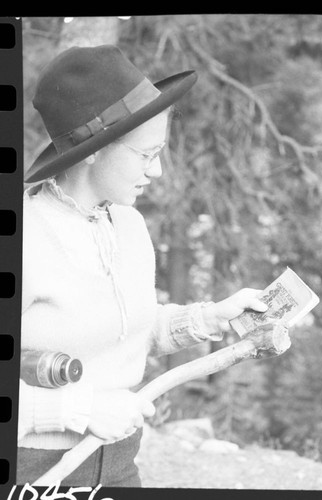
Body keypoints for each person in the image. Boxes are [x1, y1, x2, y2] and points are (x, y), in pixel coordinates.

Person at [18, 44, 270, 487]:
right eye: (145, 154)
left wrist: (212, 316)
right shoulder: (27, 236)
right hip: (33, 471)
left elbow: (129, 332)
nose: (157, 173)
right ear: (93, 150)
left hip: (117, 465)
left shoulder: (130, 225)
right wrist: (76, 410)